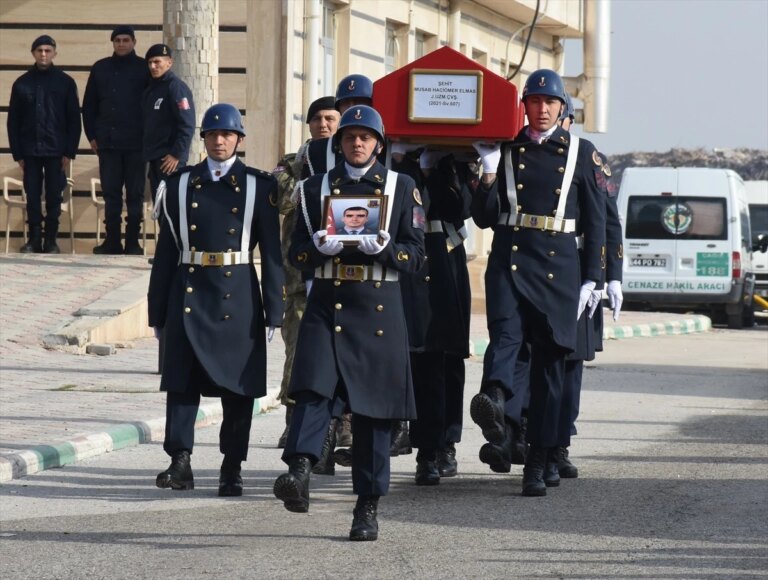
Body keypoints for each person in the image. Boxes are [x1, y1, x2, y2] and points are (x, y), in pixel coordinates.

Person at [274, 105, 425, 541]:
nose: (357, 143)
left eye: (365, 137)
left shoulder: (402, 187)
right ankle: (299, 470)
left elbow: (415, 258)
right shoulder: (313, 188)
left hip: (378, 305)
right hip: (328, 299)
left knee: (374, 414)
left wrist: (386, 248)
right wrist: (318, 248)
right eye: (349, 137)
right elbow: (296, 253)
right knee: (312, 390)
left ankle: (367, 506)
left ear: (379, 143)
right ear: (338, 143)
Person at [469, 69, 606, 497]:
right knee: (506, 336)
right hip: (510, 257)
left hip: (559, 266)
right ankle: (492, 397)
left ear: (562, 108)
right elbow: (485, 218)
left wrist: (595, 278)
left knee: (549, 369)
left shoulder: (582, 153)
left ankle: (540, 458)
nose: (542, 109)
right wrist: (488, 174)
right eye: (534, 102)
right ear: (523, 106)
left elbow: (599, 219)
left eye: (550, 103)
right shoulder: (506, 149)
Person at [148, 104, 283, 497]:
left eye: (227, 134)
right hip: (188, 289)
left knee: (238, 389)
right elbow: (166, 252)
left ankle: (232, 466)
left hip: (237, 293)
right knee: (181, 382)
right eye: (212, 134)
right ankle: (179, 461)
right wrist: (157, 309)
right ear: (203, 139)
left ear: (239, 140)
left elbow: (272, 254)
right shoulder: (179, 184)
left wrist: (274, 310)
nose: (219, 140)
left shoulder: (260, 186)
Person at [273, 95, 339, 451]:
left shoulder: (351, 162)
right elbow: (283, 199)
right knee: (298, 352)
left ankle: (342, 425)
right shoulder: (292, 162)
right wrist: (307, 177)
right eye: (317, 118)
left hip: (342, 276)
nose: (323, 124)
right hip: (300, 278)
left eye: (330, 118)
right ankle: (293, 423)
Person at [7, 34, 81, 254]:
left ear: (54, 53)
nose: (44, 54)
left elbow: (74, 121)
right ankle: (34, 239)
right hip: (30, 150)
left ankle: (51, 240)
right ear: (33, 53)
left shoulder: (66, 82)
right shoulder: (22, 83)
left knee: (53, 196)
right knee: (32, 194)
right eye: (39, 51)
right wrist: (17, 154)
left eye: (48, 51)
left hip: (57, 150)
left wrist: (69, 151)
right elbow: (13, 122)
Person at [82, 25, 148, 255]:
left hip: (136, 144)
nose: (121, 44)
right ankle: (112, 241)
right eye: (117, 40)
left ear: (134, 42)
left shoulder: (144, 68)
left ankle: (132, 241)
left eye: (126, 40)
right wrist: (91, 136)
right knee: (111, 194)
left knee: (135, 194)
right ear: (112, 43)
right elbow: (89, 106)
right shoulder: (101, 68)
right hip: (108, 143)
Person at [141, 44, 195, 207]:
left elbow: (187, 124)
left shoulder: (176, 87)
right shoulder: (152, 89)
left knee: (171, 208)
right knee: (161, 208)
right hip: (155, 157)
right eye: (150, 62)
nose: (153, 66)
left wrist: (177, 154)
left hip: (169, 160)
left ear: (169, 63)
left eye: (157, 62)